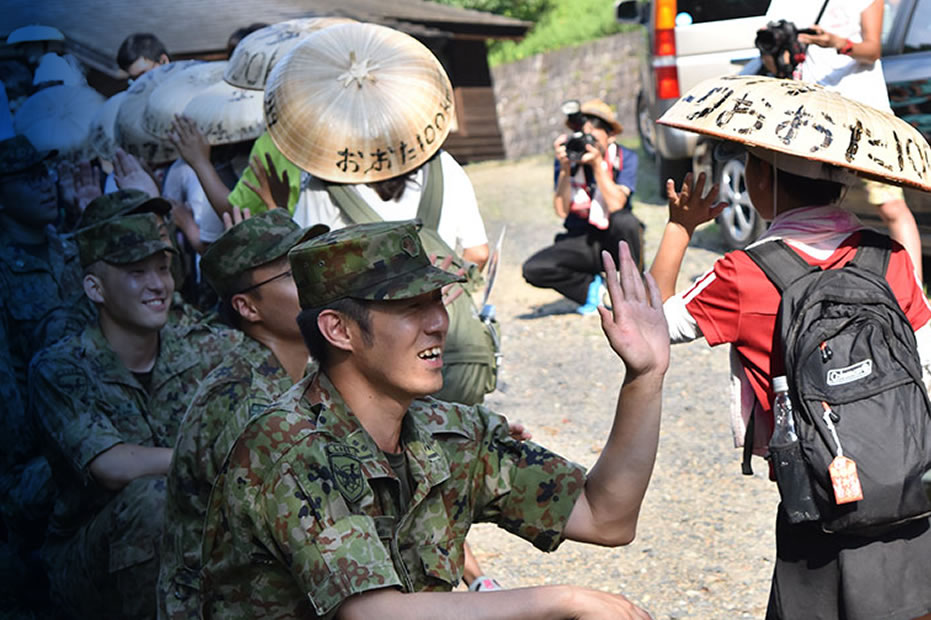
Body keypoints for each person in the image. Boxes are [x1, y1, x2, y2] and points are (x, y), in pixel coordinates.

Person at [198, 219, 667, 619]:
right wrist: (562, 599)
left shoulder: (452, 431)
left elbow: (606, 517)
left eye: (436, 300)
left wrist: (645, 376)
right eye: (408, 308)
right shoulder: (288, 444)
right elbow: (374, 612)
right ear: (339, 330)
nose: (438, 323)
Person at [649, 77, 931, 619]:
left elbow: (649, 327)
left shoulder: (746, 272)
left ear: (760, 178)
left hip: (816, 501)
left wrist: (680, 229)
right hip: (908, 489)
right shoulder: (888, 256)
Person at [29, 213, 236, 619]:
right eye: (136, 273)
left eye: (163, 269)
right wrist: (210, 458)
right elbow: (111, 464)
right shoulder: (61, 367)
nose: (158, 285)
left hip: (191, 544)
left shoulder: (199, 350)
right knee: (154, 497)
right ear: (95, 287)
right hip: (90, 560)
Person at [157, 209, 326, 620]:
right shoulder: (246, 401)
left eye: (310, 262)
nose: (314, 280)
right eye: (291, 274)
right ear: (248, 308)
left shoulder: (305, 369)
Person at [0, 134, 94, 605]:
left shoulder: (73, 253)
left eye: (46, 173)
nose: (46, 185)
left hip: (94, 425)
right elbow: (5, 385)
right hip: (34, 452)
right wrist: (20, 467)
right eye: (28, 178)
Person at [769, 0, 924, 279]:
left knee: (890, 206)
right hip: (813, 112)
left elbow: (872, 50)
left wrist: (837, 43)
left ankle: (912, 292)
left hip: (864, 112)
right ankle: (806, 282)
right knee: (803, 202)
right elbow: (771, 47)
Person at [523, 99, 642, 315]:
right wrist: (565, 170)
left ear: (610, 135)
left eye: (595, 133)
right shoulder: (570, 158)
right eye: (584, 134)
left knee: (627, 222)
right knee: (534, 269)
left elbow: (617, 204)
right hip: (583, 240)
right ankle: (593, 290)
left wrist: (598, 166)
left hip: (615, 237)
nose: (588, 144)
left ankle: (634, 288)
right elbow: (561, 210)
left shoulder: (625, 158)